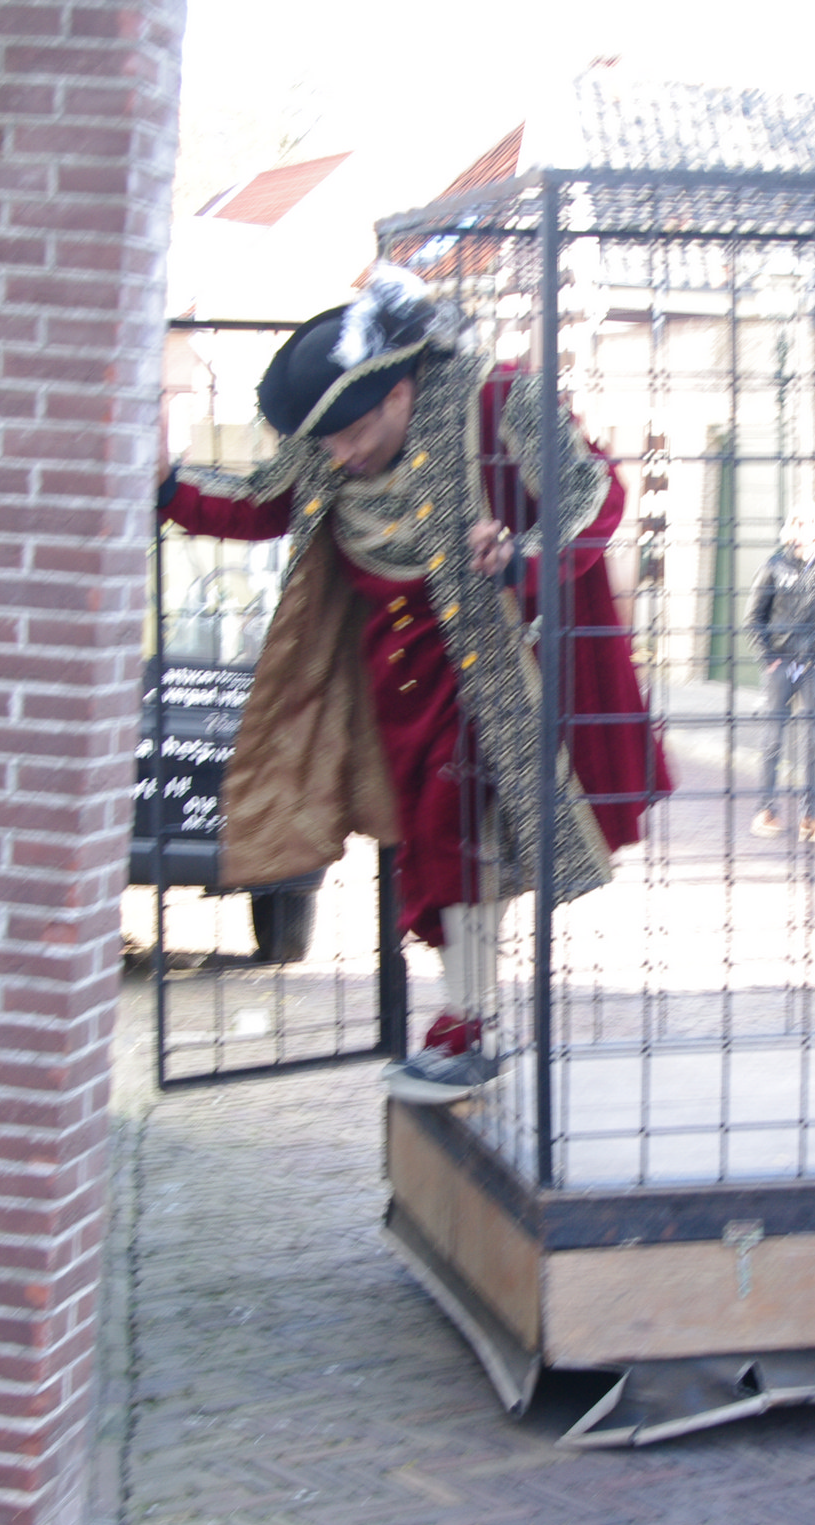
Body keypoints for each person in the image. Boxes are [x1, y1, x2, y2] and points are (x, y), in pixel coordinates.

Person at [154, 267, 671, 1104]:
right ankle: (469, 1017)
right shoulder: (331, 434)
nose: (343, 456)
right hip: (387, 673)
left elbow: (594, 492)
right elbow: (261, 503)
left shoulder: (502, 397)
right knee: (436, 844)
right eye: (330, 444)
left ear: (399, 390)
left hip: (493, 659)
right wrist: (166, 489)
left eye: (356, 435)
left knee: (457, 835)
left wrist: (526, 555)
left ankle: (470, 1024)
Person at [747, 509, 815, 842]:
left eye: (810, 524)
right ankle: (765, 811)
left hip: (813, 666)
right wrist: (768, 656)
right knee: (772, 739)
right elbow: (754, 617)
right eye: (798, 524)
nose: (804, 530)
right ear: (791, 530)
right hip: (781, 664)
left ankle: (812, 816)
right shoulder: (773, 566)